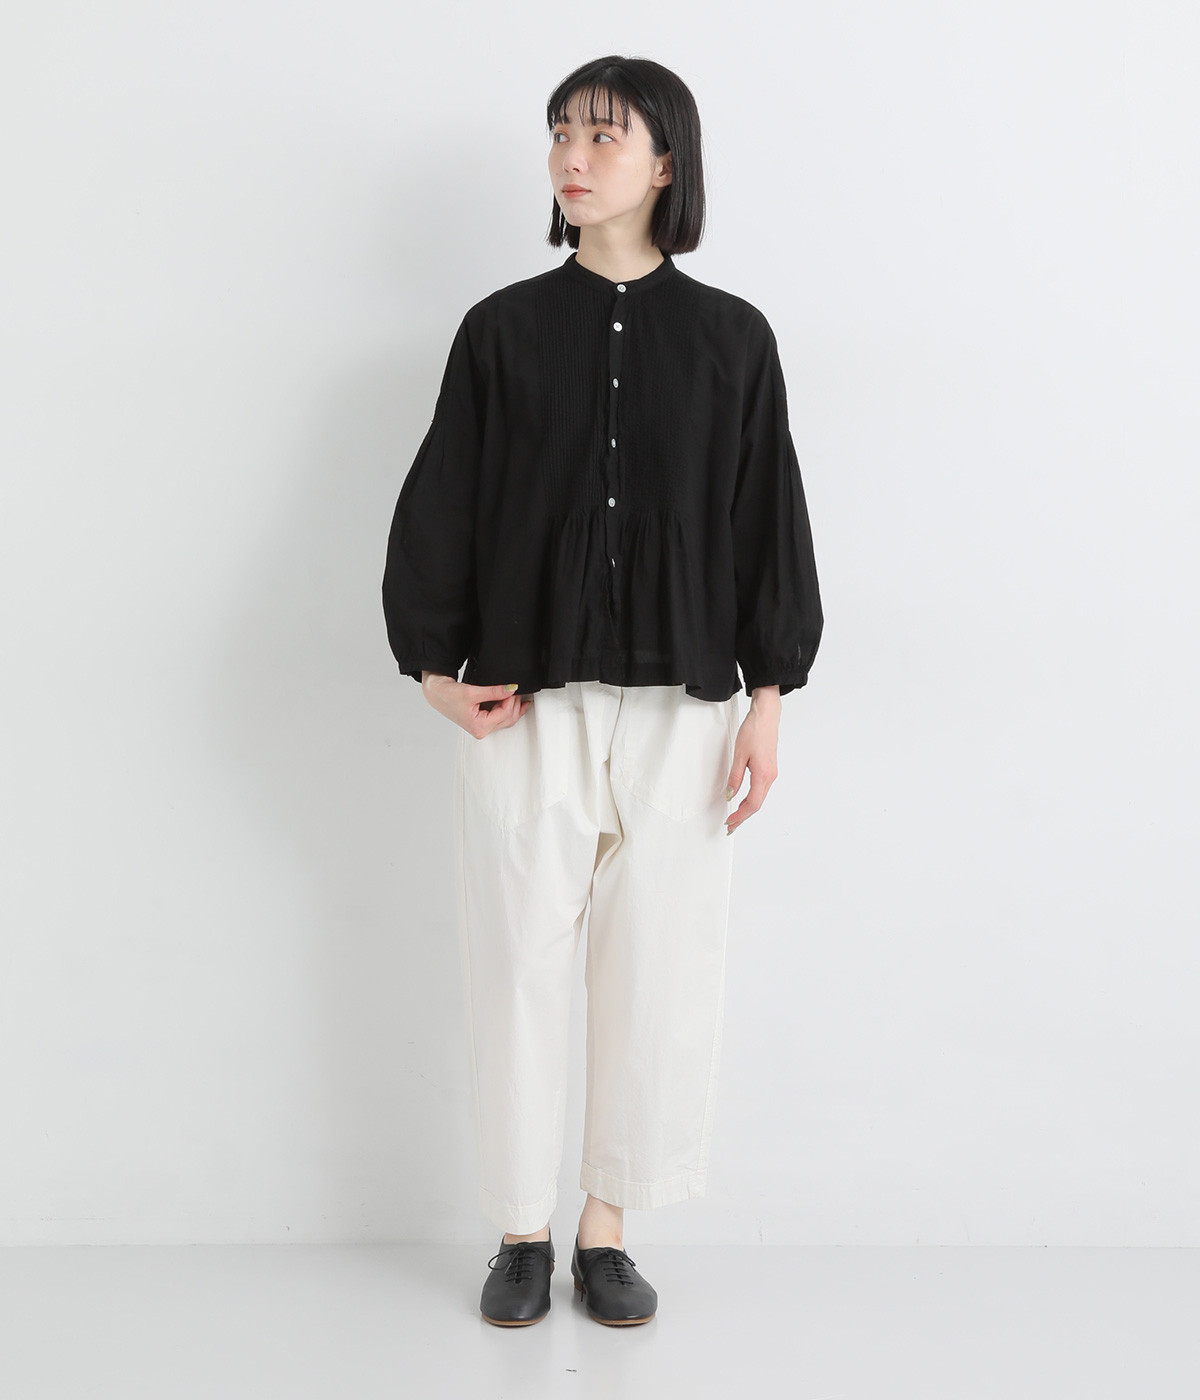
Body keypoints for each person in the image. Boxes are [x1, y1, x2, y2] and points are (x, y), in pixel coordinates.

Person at [381, 55, 823, 1327]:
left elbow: (766, 520)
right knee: (516, 964)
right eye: (560, 135)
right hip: (527, 704)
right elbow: (444, 503)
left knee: (657, 972)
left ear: (666, 163)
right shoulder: (501, 331)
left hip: (687, 708)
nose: (572, 158)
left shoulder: (734, 339)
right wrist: (432, 669)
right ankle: (521, 1228)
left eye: (603, 137)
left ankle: (608, 1226)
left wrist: (770, 697)